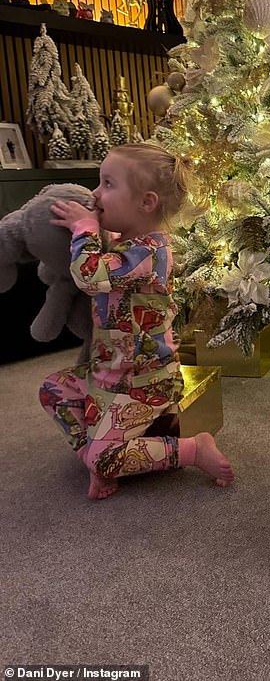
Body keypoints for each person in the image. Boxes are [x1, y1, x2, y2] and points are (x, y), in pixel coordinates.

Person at [40, 142, 234, 500]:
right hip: (107, 375)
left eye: (108, 184)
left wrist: (84, 229)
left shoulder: (150, 252)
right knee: (52, 388)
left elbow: (90, 275)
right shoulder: (124, 242)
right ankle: (94, 456)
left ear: (146, 203)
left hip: (144, 384)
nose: (96, 195)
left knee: (105, 458)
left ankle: (191, 449)